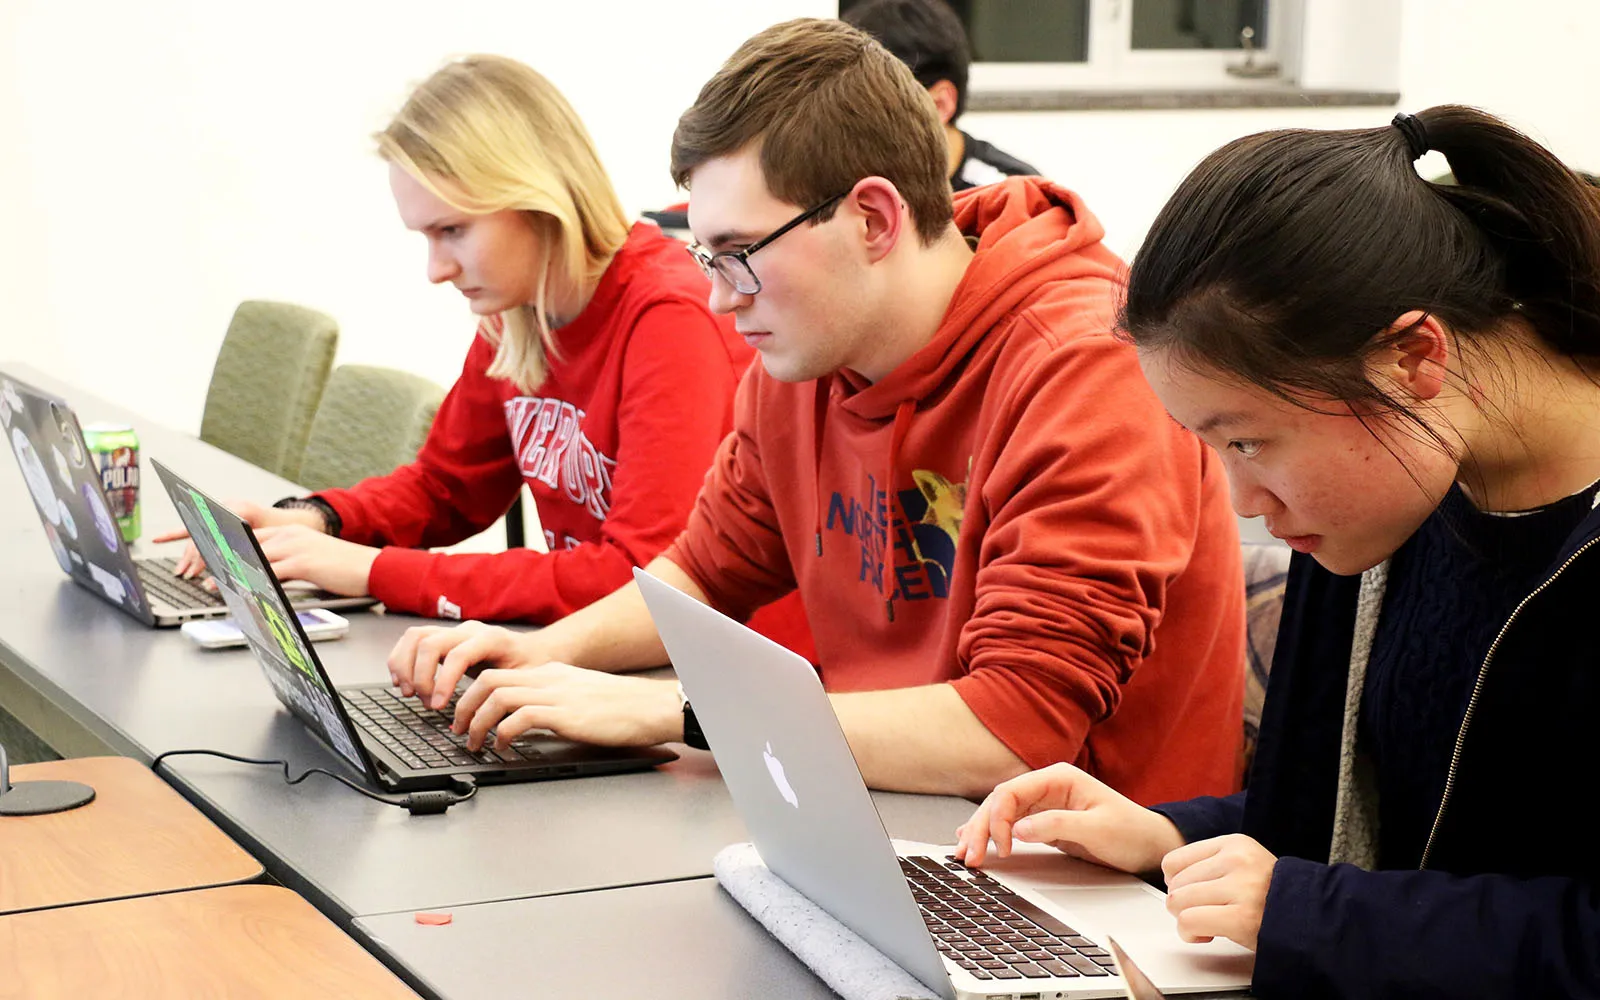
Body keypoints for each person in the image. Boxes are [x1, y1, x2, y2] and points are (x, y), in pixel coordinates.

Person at [385, 19, 1245, 803]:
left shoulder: (1083, 367)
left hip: (1084, 873)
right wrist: (544, 654)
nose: (722, 299)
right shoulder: (806, 351)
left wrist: (669, 713)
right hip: (881, 808)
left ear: (872, 218)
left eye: (739, 254)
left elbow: (1013, 732)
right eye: (707, 256)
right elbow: (705, 576)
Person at [954, 106, 1600, 998]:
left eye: (1249, 441)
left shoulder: (1404, 487)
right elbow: (1353, 821)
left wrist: (1309, 914)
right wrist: (1168, 838)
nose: (1243, 500)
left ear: (1414, 359)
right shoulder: (1395, 489)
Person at [158, 55, 811, 654]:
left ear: (536, 198)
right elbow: (446, 488)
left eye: (453, 231)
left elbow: (637, 581)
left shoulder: (670, 318)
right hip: (595, 661)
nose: (436, 269)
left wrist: (375, 571)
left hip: (707, 682)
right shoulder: (517, 312)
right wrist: (320, 521)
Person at [843, 0, 1040, 191]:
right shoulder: (846, 182)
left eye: (872, 108)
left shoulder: (1015, 198)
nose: (854, 127)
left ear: (939, 104)